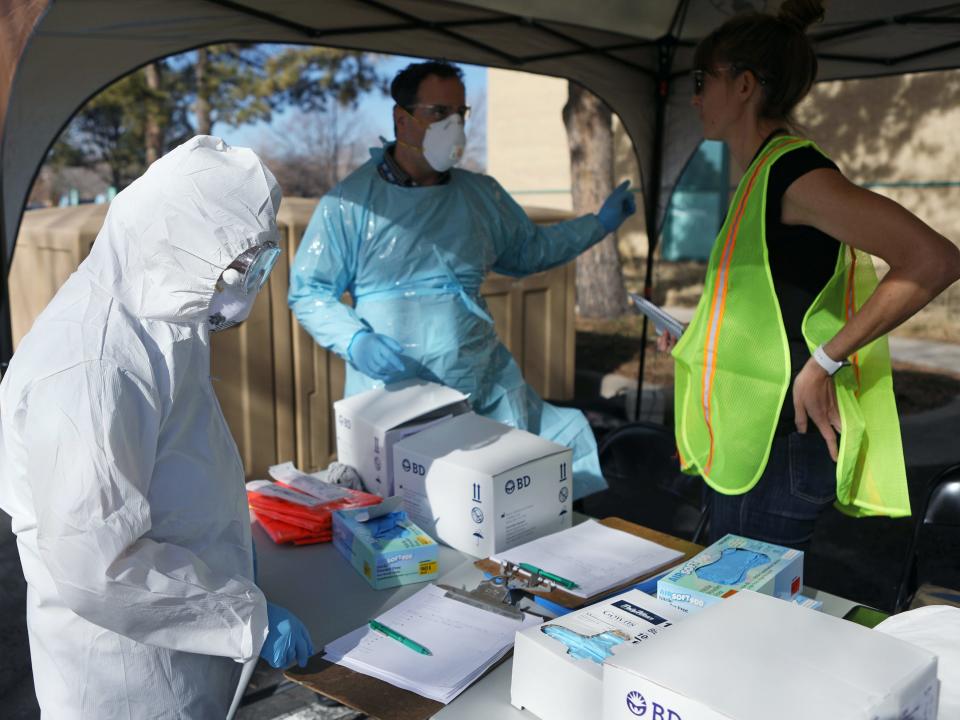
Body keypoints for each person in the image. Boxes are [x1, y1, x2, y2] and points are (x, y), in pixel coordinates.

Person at [0, 136, 314, 718]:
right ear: (180, 239)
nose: (244, 284)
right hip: (126, 673)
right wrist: (247, 618)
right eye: (237, 264)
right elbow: (98, 566)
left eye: (258, 262)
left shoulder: (165, 306)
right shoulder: (92, 365)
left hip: (188, 629)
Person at [658, 0, 960, 547]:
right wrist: (697, 340)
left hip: (781, 448)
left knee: (750, 614)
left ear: (745, 84)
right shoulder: (759, 176)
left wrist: (824, 361)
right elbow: (773, 306)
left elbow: (934, 259)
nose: (695, 95)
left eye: (703, 79)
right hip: (756, 441)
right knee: (736, 608)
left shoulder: (796, 174)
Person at [289, 60, 636, 499]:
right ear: (402, 119)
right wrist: (357, 340)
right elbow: (309, 292)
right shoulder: (350, 203)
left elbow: (530, 251)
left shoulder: (480, 196)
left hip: (480, 384)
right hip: (391, 398)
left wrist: (597, 225)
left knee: (506, 501)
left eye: (460, 114)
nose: (453, 126)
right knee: (408, 509)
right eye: (439, 113)